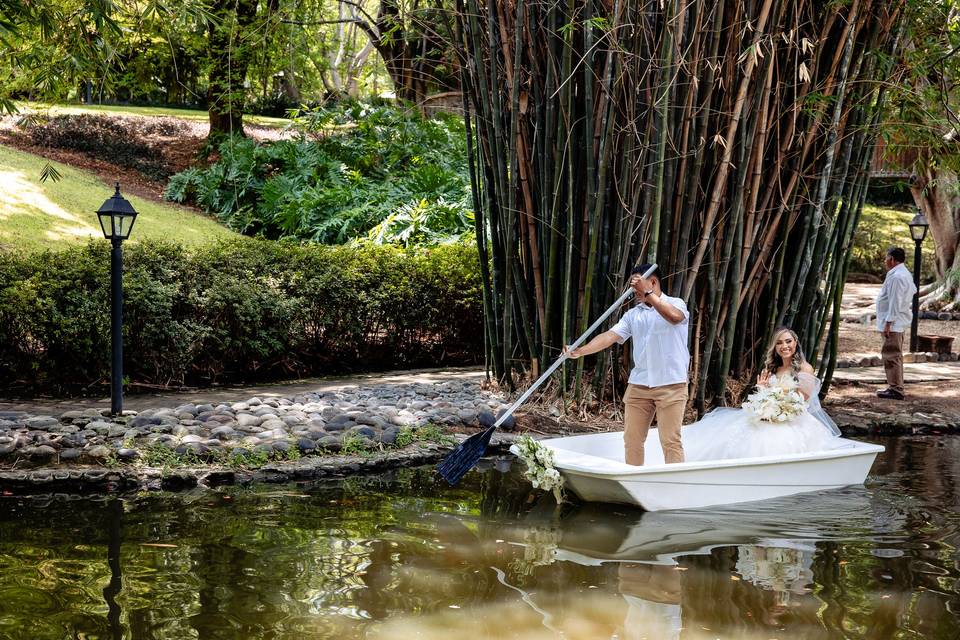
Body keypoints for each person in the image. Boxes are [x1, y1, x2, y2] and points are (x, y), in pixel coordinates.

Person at [565, 264, 690, 465]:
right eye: (633, 286)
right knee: (632, 440)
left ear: (653, 282)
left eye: (637, 284)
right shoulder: (633, 314)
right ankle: (633, 481)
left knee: (670, 441)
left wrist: (647, 293)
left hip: (671, 384)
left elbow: (675, 318)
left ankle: (676, 490)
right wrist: (580, 350)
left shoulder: (676, 304)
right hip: (639, 384)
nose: (634, 290)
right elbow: (609, 336)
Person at [681, 327, 840, 462]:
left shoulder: (804, 369)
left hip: (792, 417)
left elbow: (801, 400)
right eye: (779, 343)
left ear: (796, 343)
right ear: (775, 348)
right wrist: (763, 390)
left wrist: (777, 410)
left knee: (764, 439)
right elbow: (771, 394)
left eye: (788, 341)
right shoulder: (774, 368)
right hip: (769, 413)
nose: (784, 346)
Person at [875, 246, 917, 400]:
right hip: (896, 321)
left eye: (886, 258)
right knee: (894, 354)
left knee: (891, 355)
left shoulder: (897, 276)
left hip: (893, 323)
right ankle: (895, 386)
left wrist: (888, 323)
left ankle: (896, 389)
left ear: (892, 259)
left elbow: (895, 302)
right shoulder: (902, 273)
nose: (885, 261)